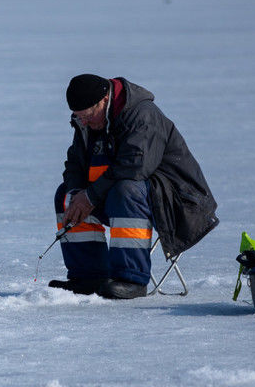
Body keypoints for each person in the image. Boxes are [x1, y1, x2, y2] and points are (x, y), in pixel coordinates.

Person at [52, 74, 218, 299]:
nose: (84, 123)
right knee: (66, 196)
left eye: (87, 116)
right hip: (123, 195)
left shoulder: (142, 115)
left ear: (103, 100)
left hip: (179, 201)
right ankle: (88, 276)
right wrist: (77, 193)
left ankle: (131, 279)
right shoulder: (88, 121)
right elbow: (75, 164)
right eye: (78, 118)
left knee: (125, 191)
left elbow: (135, 167)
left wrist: (90, 197)